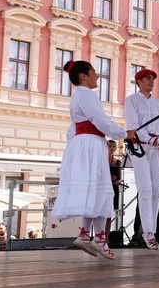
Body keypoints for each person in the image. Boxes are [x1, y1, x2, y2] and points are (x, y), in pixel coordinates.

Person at [52, 60, 135, 260]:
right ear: (83, 76)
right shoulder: (87, 95)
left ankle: (86, 235)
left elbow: (74, 128)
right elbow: (101, 120)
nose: (97, 76)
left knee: (94, 189)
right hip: (91, 144)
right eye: (94, 73)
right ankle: (98, 238)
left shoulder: (77, 96)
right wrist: (125, 133)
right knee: (99, 189)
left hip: (83, 143)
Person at [124, 69, 159, 251]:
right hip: (139, 146)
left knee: (157, 188)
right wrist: (148, 138)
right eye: (148, 78)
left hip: (155, 147)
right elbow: (132, 125)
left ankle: (152, 230)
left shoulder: (156, 103)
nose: (151, 81)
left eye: (153, 79)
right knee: (145, 188)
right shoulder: (131, 100)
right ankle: (147, 231)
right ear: (139, 81)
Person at [106, 140, 121, 243]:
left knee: (109, 214)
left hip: (113, 189)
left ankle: (106, 237)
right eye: (110, 146)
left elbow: (120, 178)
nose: (111, 148)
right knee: (101, 213)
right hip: (104, 188)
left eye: (113, 146)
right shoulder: (102, 160)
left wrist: (117, 181)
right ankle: (99, 235)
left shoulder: (118, 162)